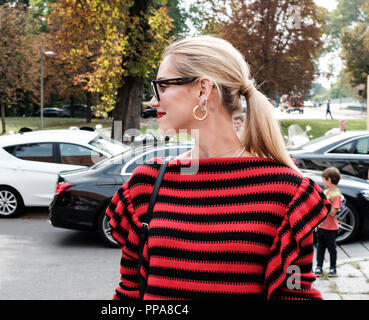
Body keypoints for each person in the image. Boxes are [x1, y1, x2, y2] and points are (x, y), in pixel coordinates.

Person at [106, 35, 330, 300]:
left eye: (163, 87)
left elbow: (296, 293)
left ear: (203, 90)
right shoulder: (145, 185)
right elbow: (129, 292)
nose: (153, 102)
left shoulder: (288, 194)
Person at [315, 167, 342, 277]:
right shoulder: (325, 192)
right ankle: (319, 266)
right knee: (320, 247)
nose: (323, 182)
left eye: (323, 180)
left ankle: (333, 268)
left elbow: (332, 213)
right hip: (322, 226)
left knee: (332, 249)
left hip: (331, 228)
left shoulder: (336, 195)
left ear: (329, 180)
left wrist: (324, 204)